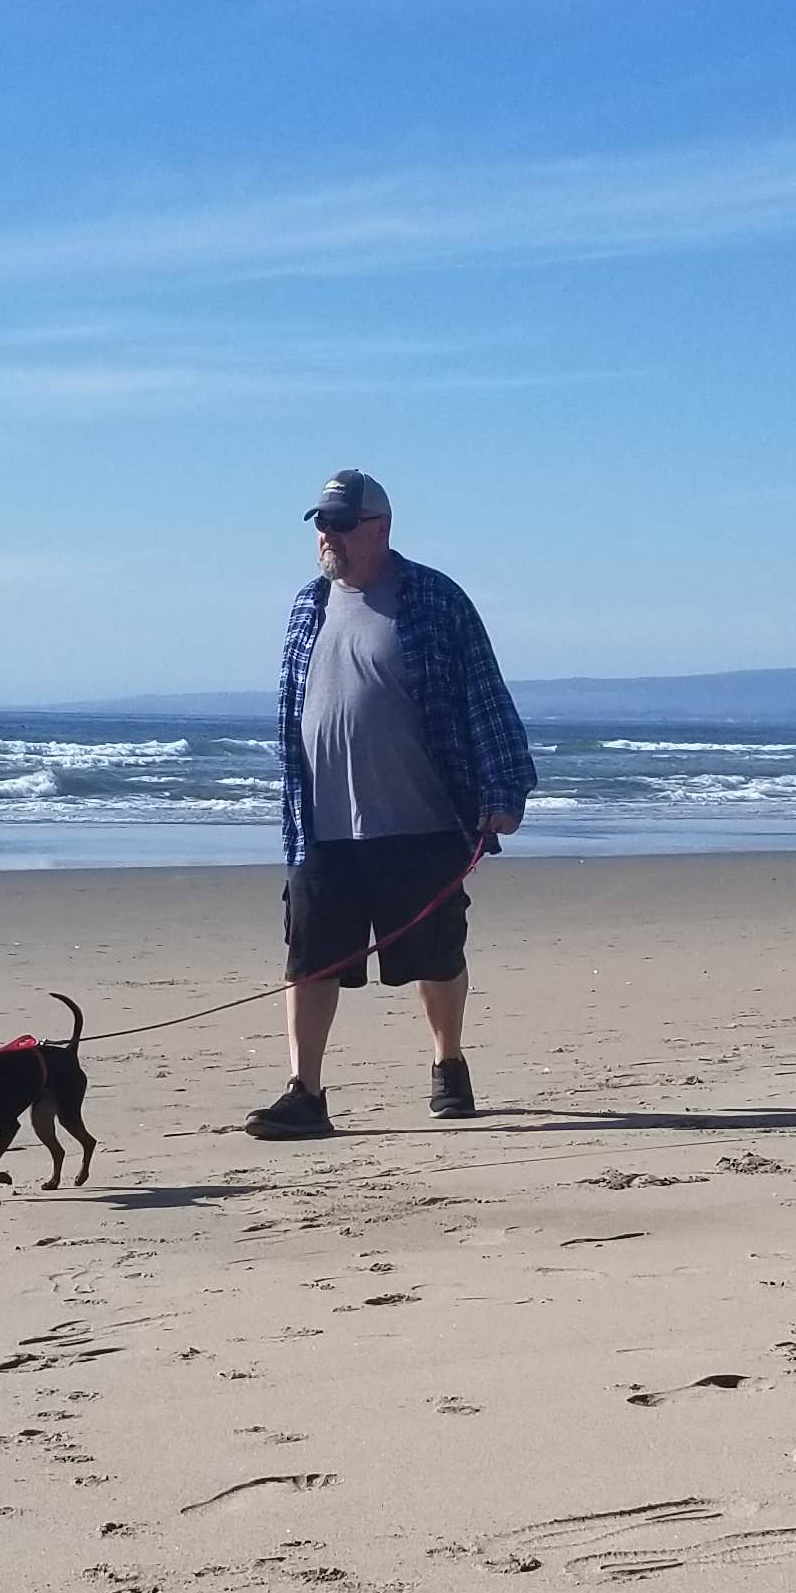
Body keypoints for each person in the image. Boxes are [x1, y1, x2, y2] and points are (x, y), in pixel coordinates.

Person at [246, 468, 536, 1137]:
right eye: (321, 523)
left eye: (341, 523)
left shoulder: (434, 599)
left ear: (380, 527)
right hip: (320, 827)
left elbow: (484, 694)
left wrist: (503, 789)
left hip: (419, 820)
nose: (328, 535)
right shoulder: (308, 604)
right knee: (310, 957)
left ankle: (448, 1062)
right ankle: (305, 1092)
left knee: (436, 955)